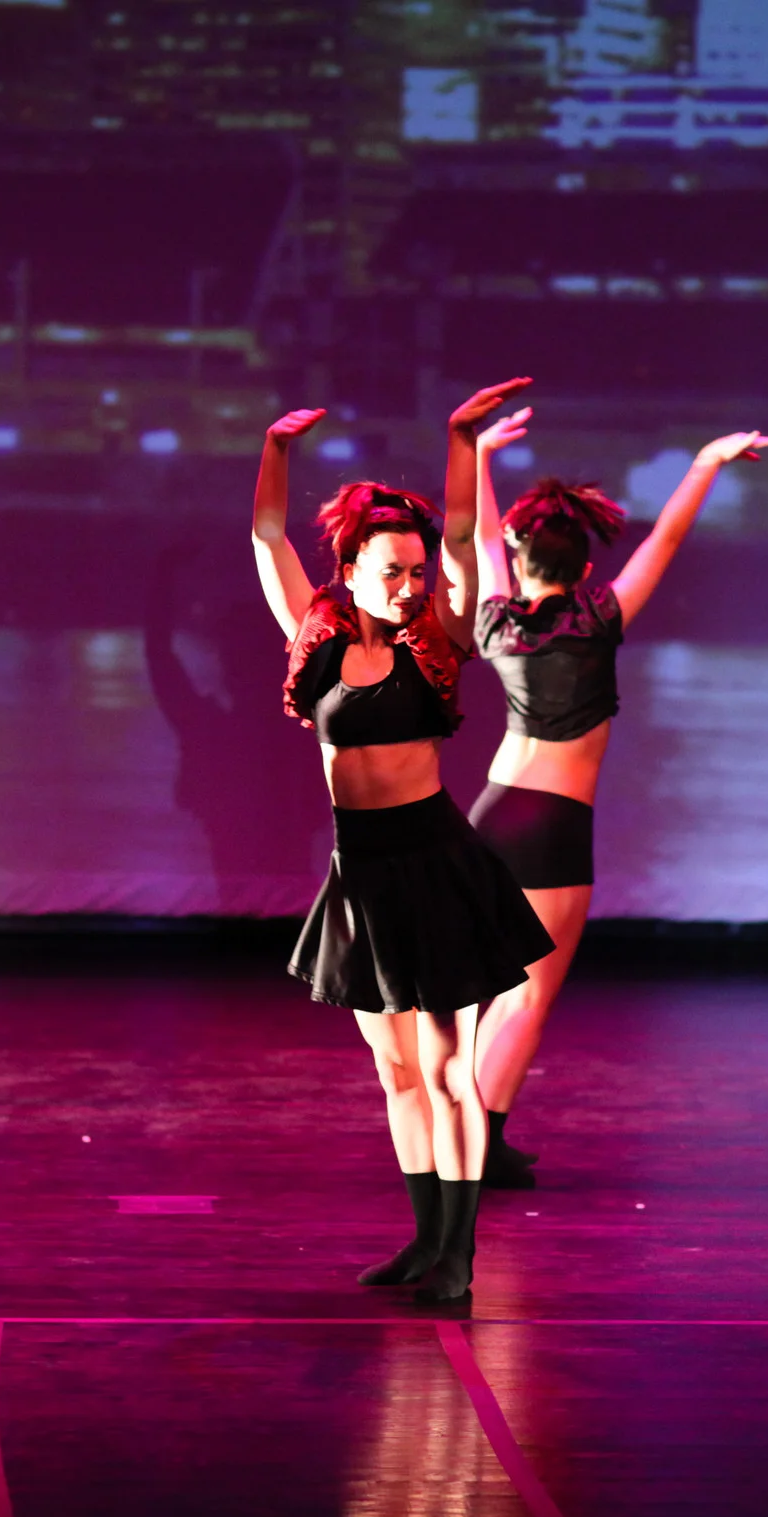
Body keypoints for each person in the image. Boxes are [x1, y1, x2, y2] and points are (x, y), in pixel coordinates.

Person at [251, 391, 554, 1303]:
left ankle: (459, 1254)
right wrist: (275, 449)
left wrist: (459, 440)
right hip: (361, 876)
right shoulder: (316, 637)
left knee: (451, 1070)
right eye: (392, 571)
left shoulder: (439, 642)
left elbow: (460, 537)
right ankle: (424, 1241)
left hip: (434, 867)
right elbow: (267, 534)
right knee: (397, 1073)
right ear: (350, 569)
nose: (409, 584)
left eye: (416, 571)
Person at [454, 398, 768, 1186]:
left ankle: (472, 1131)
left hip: (492, 812)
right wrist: (705, 463)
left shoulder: (496, 621)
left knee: (496, 992)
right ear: (585, 568)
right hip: (554, 824)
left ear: (521, 559)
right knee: (529, 996)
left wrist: (481, 458)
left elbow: (480, 540)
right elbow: (665, 539)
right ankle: (476, 1144)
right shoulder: (600, 616)